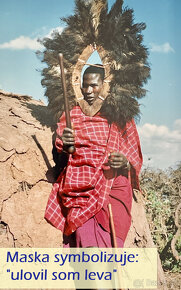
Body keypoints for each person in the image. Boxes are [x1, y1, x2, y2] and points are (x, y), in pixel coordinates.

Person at [45, 65, 142, 248]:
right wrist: (65, 147)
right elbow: (60, 164)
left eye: (94, 86)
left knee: (111, 256)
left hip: (113, 191)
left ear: (106, 86)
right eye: (85, 85)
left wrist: (125, 162)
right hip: (81, 191)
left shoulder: (121, 117)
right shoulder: (72, 115)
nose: (88, 91)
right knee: (89, 252)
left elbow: (134, 160)